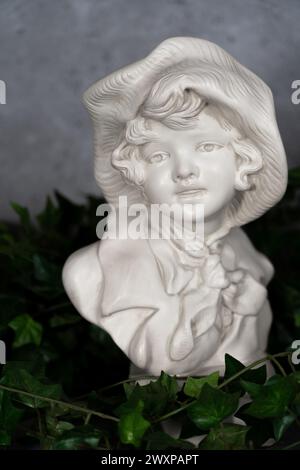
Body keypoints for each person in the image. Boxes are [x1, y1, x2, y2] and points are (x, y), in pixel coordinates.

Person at [63, 37, 287, 377]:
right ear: (136, 174)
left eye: (207, 146)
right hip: (162, 425)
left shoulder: (245, 254)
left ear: (243, 161)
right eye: (159, 156)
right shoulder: (94, 272)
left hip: (253, 425)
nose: (184, 170)